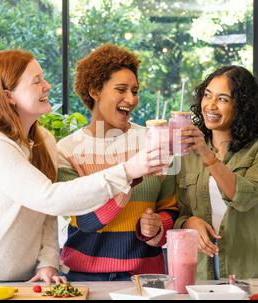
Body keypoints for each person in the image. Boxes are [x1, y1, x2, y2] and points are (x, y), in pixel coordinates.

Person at [0, 49, 167, 284]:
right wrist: (127, 171)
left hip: (16, 279)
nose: (47, 86)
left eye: (43, 78)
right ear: (8, 96)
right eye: (36, 81)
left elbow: (45, 214)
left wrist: (47, 263)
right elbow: (49, 198)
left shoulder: (42, 139)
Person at [57, 44, 179, 281]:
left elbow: (172, 209)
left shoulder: (153, 141)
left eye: (135, 90)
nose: (131, 99)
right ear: (94, 91)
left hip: (146, 277)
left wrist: (158, 226)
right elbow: (86, 221)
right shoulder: (67, 150)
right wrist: (130, 174)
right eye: (121, 89)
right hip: (84, 278)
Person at [176, 65, 258, 280]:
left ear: (242, 106)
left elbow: (245, 197)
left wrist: (206, 154)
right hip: (199, 276)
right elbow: (177, 211)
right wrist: (188, 223)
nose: (211, 105)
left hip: (251, 274)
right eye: (207, 95)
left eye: (223, 99)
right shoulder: (186, 151)